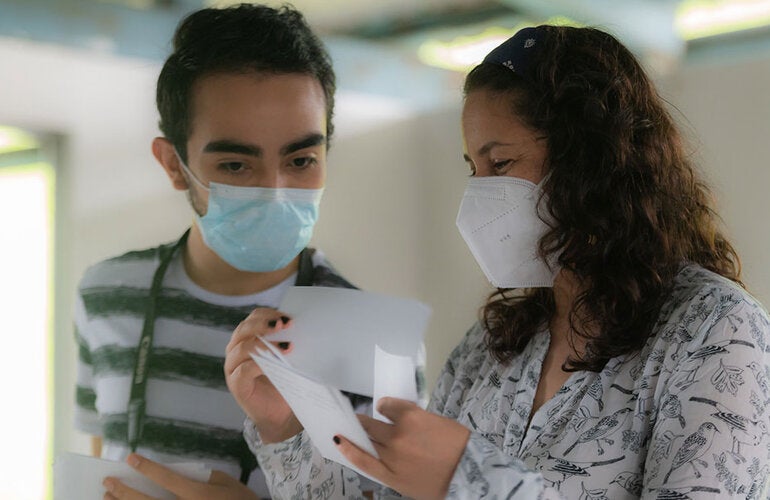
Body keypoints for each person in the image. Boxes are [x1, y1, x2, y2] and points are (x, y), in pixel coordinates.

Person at [226, 25, 770, 498]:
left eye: (500, 162)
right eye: (473, 169)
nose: (477, 198)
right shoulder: (493, 348)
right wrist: (286, 428)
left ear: (591, 163)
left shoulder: (715, 334)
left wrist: (469, 479)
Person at [73, 4, 373, 498]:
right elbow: (98, 459)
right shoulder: (105, 294)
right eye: (236, 165)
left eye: (301, 159)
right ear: (173, 164)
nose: (276, 190)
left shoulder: (369, 334)